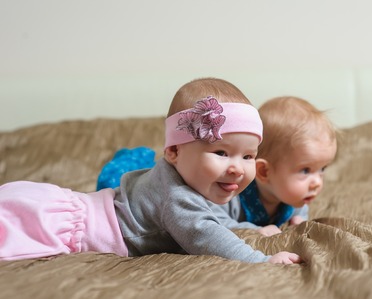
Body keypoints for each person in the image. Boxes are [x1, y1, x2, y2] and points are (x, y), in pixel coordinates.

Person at [0, 78, 300, 264]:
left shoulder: (192, 182)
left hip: (75, 205)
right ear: (173, 152)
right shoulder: (177, 196)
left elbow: (212, 220)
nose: (237, 168)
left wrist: (253, 229)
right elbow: (206, 234)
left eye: (248, 156)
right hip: (77, 229)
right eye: (221, 152)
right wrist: (261, 260)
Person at [208, 96, 338, 236]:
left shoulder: (297, 197)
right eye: (305, 170)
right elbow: (213, 223)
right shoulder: (231, 193)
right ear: (264, 172)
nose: (317, 183)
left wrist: (299, 221)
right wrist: (254, 231)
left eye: (322, 169)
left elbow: (301, 213)